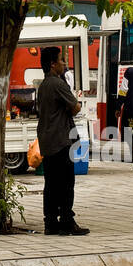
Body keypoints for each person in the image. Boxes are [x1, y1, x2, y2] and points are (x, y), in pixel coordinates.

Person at [36, 46, 88, 235]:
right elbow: (75, 107)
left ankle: (50, 222)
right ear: (53, 64)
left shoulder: (42, 86)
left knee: (51, 184)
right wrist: (77, 105)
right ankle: (67, 220)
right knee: (66, 183)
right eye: (62, 60)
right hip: (61, 140)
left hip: (47, 141)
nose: (64, 64)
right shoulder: (58, 84)